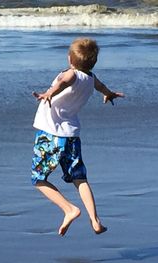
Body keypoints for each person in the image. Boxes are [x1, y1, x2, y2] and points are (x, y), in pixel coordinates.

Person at [31, 38, 124, 236]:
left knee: (38, 179)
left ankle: (69, 209)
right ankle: (95, 220)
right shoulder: (90, 79)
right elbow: (101, 86)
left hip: (51, 134)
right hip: (72, 136)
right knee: (79, 178)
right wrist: (108, 94)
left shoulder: (70, 73)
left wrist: (49, 92)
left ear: (70, 59)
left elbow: (64, 82)